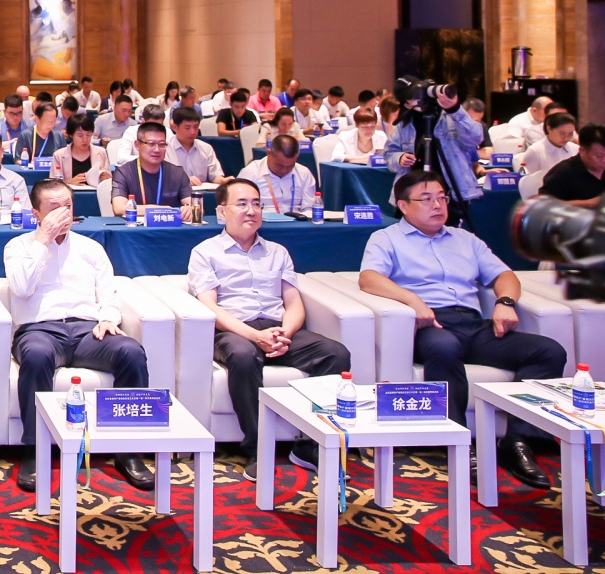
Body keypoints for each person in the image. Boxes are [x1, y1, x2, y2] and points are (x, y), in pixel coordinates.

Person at [359, 169, 566, 488]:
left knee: (548, 351)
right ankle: (457, 441)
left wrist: (505, 302)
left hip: (473, 324)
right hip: (429, 324)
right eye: (426, 199)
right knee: (444, 346)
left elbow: (504, 275)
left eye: (441, 197)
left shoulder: (465, 239)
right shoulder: (386, 239)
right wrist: (413, 300)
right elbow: (369, 278)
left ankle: (518, 440)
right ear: (403, 205)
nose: (437, 205)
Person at [188, 179, 350, 480]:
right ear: (222, 212)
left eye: (256, 204)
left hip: (277, 329)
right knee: (243, 356)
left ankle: (309, 445)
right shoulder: (205, 252)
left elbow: (294, 302)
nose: (251, 211)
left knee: (335, 353)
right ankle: (257, 448)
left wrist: (284, 333)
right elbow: (210, 307)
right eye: (242, 204)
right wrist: (255, 336)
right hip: (233, 330)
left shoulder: (277, 252)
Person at [6, 178, 153, 492]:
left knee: (130, 351)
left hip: (88, 331)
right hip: (40, 330)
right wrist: (43, 241)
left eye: (68, 206)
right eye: (54, 208)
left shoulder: (91, 248)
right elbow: (21, 288)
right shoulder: (18, 246)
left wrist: (108, 318)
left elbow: (109, 294)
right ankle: (35, 449)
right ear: (36, 214)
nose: (64, 214)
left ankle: (128, 449)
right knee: (36, 355)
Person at [386, 86, 483, 226]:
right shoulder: (406, 122)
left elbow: (476, 138)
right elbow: (389, 153)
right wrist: (399, 158)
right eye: (409, 100)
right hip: (412, 190)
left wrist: (455, 109)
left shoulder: (451, 117)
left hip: (450, 190)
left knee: (448, 234)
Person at [111, 122, 196, 218]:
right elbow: (119, 208)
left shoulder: (177, 173)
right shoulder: (123, 172)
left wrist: (190, 209)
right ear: (137, 145)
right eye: (151, 144)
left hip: (168, 226)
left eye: (162, 144)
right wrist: (159, 210)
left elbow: (195, 205)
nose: (157, 150)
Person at [240, 135, 318, 215]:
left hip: (297, 220)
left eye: (290, 166)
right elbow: (241, 208)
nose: (284, 170)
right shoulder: (251, 173)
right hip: (262, 220)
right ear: (269, 153)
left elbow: (309, 209)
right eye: (279, 165)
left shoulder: (304, 174)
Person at [539, 124, 605, 204]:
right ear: (582, 151)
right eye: (599, 155)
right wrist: (590, 203)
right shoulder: (562, 173)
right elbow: (544, 205)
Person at [166, 107, 227, 189]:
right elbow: (163, 178)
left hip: (201, 192)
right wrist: (184, 180)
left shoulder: (206, 148)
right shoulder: (165, 149)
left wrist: (224, 181)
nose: (193, 132)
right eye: (187, 128)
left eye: (195, 127)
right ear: (175, 127)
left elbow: (215, 176)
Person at [49, 113, 112, 185]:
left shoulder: (101, 152)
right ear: (71, 135)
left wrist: (105, 178)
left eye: (88, 135)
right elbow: (53, 184)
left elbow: (109, 180)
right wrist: (69, 182)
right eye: (80, 135)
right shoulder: (59, 155)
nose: (85, 139)